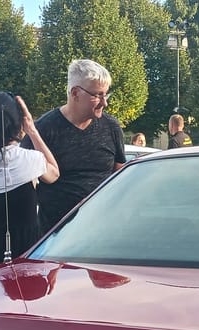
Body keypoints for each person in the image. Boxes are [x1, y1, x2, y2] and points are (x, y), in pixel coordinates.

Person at [21, 58, 126, 236]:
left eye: (106, 94)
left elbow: (120, 176)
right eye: (97, 95)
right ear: (75, 93)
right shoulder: (43, 130)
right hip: (55, 238)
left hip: (102, 232)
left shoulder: (111, 127)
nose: (104, 102)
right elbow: (24, 181)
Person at [0, 91, 60, 272]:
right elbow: (54, 174)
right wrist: (32, 130)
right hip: (26, 250)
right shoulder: (30, 159)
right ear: (19, 123)